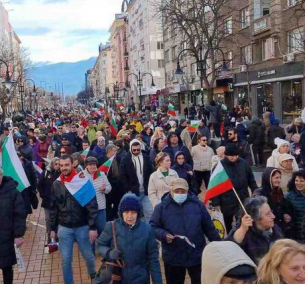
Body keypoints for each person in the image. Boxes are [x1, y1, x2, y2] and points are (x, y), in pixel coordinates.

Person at [150, 178, 221, 284]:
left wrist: (219, 245)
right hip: (173, 257)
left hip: (196, 255)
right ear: (171, 191)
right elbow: (153, 227)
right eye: (177, 191)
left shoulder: (197, 205)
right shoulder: (161, 207)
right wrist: (164, 235)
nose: (180, 194)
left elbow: (209, 227)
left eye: (182, 191)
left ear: (187, 191)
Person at [49, 154, 99, 284]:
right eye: (61, 165)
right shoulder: (56, 184)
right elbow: (53, 208)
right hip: (64, 227)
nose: (64, 168)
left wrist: (92, 227)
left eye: (66, 165)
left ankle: (94, 277)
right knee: (66, 260)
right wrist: (52, 229)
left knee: (88, 256)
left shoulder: (82, 181)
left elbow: (92, 206)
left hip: (82, 226)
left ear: (73, 164)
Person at [97, 193, 162, 284]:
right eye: (126, 212)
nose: (130, 216)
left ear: (138, 213)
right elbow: (100, 245)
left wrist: (158, 282)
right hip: (118, 278)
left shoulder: (147, 229)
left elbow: (153, 259)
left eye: (133, 212)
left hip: (140, 279)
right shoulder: (111, 226)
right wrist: (108, 253)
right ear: (121, 212)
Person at [211, 144, 258, 232]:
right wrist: (216, 203)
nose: (234, 158)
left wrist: (255, 190)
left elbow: (251, 179)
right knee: (227, 221)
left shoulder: (243, 164)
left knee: (242, 219)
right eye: (231, 156)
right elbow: (214, 186)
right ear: (226, 155)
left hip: (242, 196)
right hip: (226, 199)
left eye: (236, 155)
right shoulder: (219, 167)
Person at [228, 196, 284, 264]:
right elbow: (229, 248)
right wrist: (242, 230)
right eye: (268, 214)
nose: (273, 216)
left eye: (271, 212)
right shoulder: (246, 233)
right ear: (256, 218)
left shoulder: (276, 229)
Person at [0, 169, 26, 284]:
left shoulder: (12, 191)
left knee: (7, 268)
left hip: (7, 236)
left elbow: (19, 214)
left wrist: (18, 235)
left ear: (1, 176)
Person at [253, 167, 294, 238]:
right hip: (267, 228)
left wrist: (285, 214)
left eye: (280, 177)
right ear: (268, 178)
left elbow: (282, 205)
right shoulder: (260, 193)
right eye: (276, 178)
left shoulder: (278, 190)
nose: (279, 180)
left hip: (279, 226)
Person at [120, 139, 153, 222]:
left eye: (138, 149)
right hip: (133, 191)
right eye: (134, 150)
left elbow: (151, 172)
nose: (136, 151)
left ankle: (149, 232)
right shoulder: (125, 159)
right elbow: (122, 176)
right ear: (130, 149)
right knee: (134, 214)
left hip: (146, 190)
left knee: (149, 213)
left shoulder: (146, 157)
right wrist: (128, 189)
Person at [83, 156, 111, 236]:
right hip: (87, 209)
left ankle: (102, 246)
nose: (93, 166)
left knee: (102, 229)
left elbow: (109, 187)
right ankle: (91, 248)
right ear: (86, 166)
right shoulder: (82, 175)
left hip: (100, 208)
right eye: (90, 164)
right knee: (90, 232)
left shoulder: (101, 174)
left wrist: (104, 189)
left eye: (94, 164)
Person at [37, 157, 61, 242]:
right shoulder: (46, 172)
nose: (57, 166)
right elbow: (40, 185)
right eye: (56, 164)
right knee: (48, 219)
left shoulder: (61, 173)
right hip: (47, 201)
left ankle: (57, 236)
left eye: (59, 164)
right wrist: (44, 195)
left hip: (58, 201)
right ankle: (49, 236)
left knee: (57, 219)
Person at [286, 170, 305, 243]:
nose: (298, 183)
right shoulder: (290, 196)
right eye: (296, 180)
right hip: (297, 234)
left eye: (302, 181)